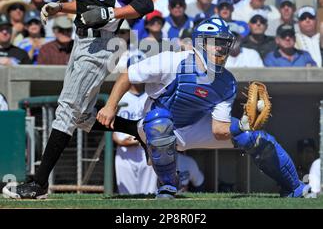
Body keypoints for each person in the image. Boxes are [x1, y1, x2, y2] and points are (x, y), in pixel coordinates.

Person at [2, 0, 153, 199]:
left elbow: (145, 3)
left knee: (67, 109)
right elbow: (86, 6)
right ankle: (139, 129)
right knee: (82, 117)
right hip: (82, 42)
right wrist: (60, 7)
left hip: (104, 43)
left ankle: (38, 184)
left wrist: (112, 13)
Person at [95, 16, 312, 199]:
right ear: (200, 43)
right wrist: (110, 106)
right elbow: (129, 75)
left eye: (224, 42)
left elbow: (219, 130)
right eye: (215, 41)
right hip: (153, 124)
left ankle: (294, 188)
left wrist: (246, 124)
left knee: (257, 138)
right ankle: (168, 185)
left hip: (193, 127)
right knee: (160, 122)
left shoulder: (227, 82)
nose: (221, 47)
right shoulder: (173, 61)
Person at [113, 83, 157, 195]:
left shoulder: (151, 95)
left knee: (149, 193)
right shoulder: (120, 96)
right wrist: (119, 141)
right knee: (126, 194)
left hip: (147, 151)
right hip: (124, 154)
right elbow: (112, 130)